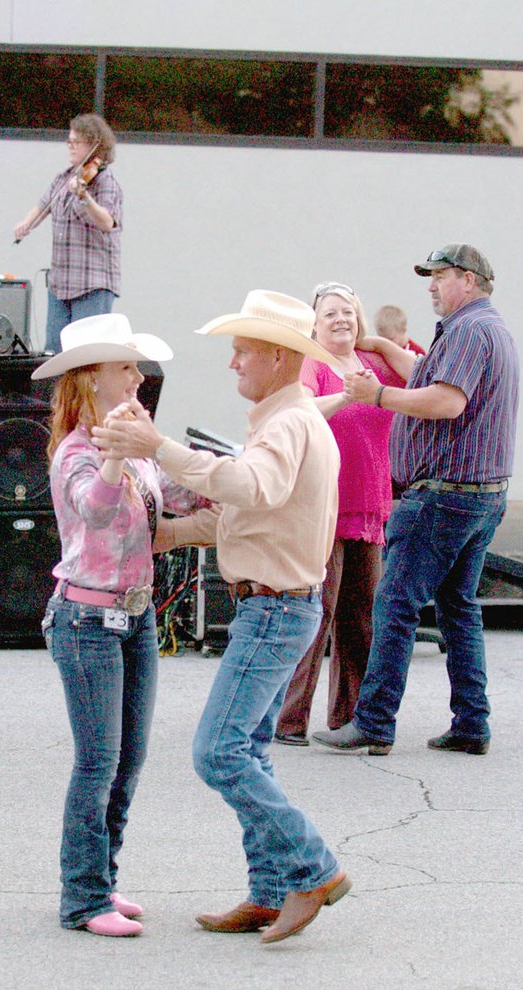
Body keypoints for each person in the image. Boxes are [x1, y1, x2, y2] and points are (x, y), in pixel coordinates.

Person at [93, 290, 351, 945]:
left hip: (275, 610)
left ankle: (313, 869)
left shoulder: (287, 424)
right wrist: (170, 536)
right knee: (249, 751)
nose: (233, 361)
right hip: (282, 607)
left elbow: (250, 488)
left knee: (219, 753)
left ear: (279, 356)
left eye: (243, 349)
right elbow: (251, 512)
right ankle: (268, 894)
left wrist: (161, 447)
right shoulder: (286, 420)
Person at [312, 244, 519, 757]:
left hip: (443, 497)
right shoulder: (488, 328)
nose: (430, 286)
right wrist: (383, 344)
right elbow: (423, 374)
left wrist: (377, 396)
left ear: (468, 280)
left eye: (440, 276)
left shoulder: (469, 331)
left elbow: (446, 401)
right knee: (459, 609)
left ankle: (374, 724)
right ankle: (472, 724)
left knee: (395, 605)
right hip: (482, 497)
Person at [32, 313, 201, 937]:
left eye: (135, 365)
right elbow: (96, 512)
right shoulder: (76, 452)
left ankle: (101, 877)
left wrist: (195, 465)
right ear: (91, 379)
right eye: (125, 367)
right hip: (85, 618)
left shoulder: (134, 443)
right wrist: (115, 455)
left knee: (128, 759)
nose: (137, 377)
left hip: (135, 614)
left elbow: (172, 501)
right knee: (98, 761)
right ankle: (82, 899)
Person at [274, 282, 410, 746]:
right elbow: (300, 410)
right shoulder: (312, 363)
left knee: (361, 619)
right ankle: (288, 720)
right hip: (325, 506)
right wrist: (349, 397)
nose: (340, 320)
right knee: (317, 613)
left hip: (371, 504)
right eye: (330, 313)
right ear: (314, 323)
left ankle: (347, 720)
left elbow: (425, 377)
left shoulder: (374, 366)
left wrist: (384, 345)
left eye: (348, 312)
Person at [14, 114, 122, 354]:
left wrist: (84, 197)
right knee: (54, 351)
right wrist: (26, 224)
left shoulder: (105, 182)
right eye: (69, 141)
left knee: (84, 355)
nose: (70, 146)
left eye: (77, 142)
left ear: (95, 144)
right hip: (61, 282)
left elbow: (106, 222)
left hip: (91, 283)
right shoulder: (64, 178)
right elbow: (44, 204)